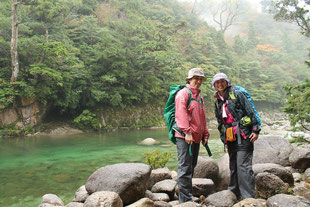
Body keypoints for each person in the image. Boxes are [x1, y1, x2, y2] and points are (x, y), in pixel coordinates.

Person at [211, 72, 261, 200]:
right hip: (230, 136)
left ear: (227, 82)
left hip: (244, 134)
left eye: (222, 81)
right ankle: (233, 193)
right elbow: (220, 123)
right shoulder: (217, 102)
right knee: (233, 165)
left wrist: (255, 130)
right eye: (217, 82)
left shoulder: (237, 94)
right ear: (214, 85)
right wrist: (224, 140)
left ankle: (248, 197)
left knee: (243, 166)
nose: (220, 84)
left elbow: (250, 112)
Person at [174, 68, 210, 203]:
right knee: (184, 166)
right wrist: (187, 132)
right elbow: (180, 114)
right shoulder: (183, 94)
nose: (199, 81)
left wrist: (205, 134)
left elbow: (202, 117)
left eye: (201, 79)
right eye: (196, 78)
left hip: (195, 137)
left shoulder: (199, 97)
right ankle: (185, 200)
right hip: (184, 136)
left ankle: (186, 194)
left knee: (191, 165)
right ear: (189, 79)